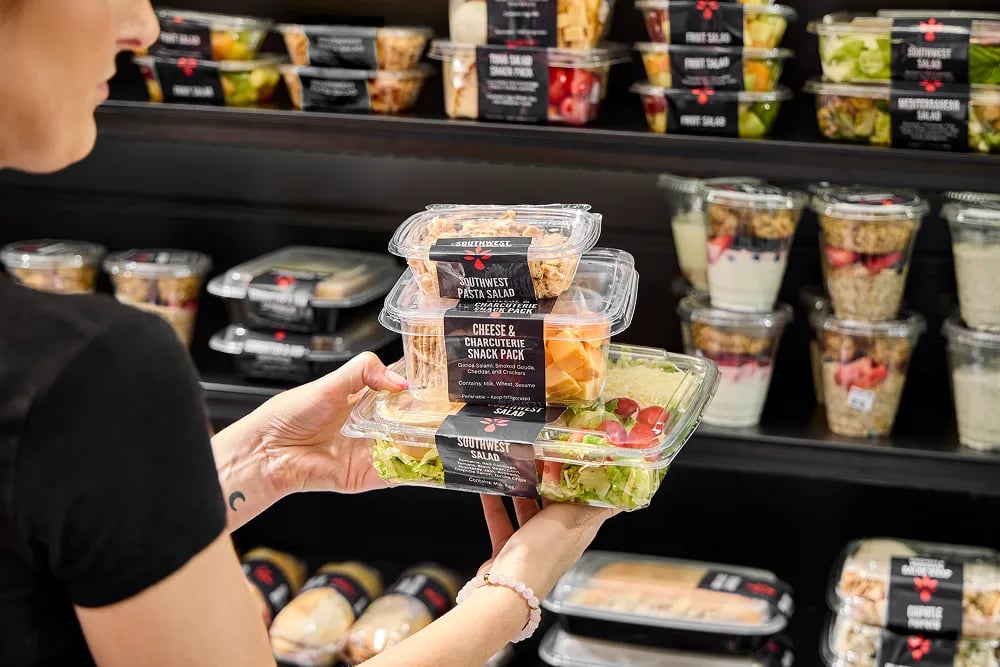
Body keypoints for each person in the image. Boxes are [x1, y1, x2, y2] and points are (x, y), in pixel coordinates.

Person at [0, 1, 616, 666]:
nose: (146, 28)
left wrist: (265, 459)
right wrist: (518, 586)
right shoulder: (97, 369)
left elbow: (51, 530)